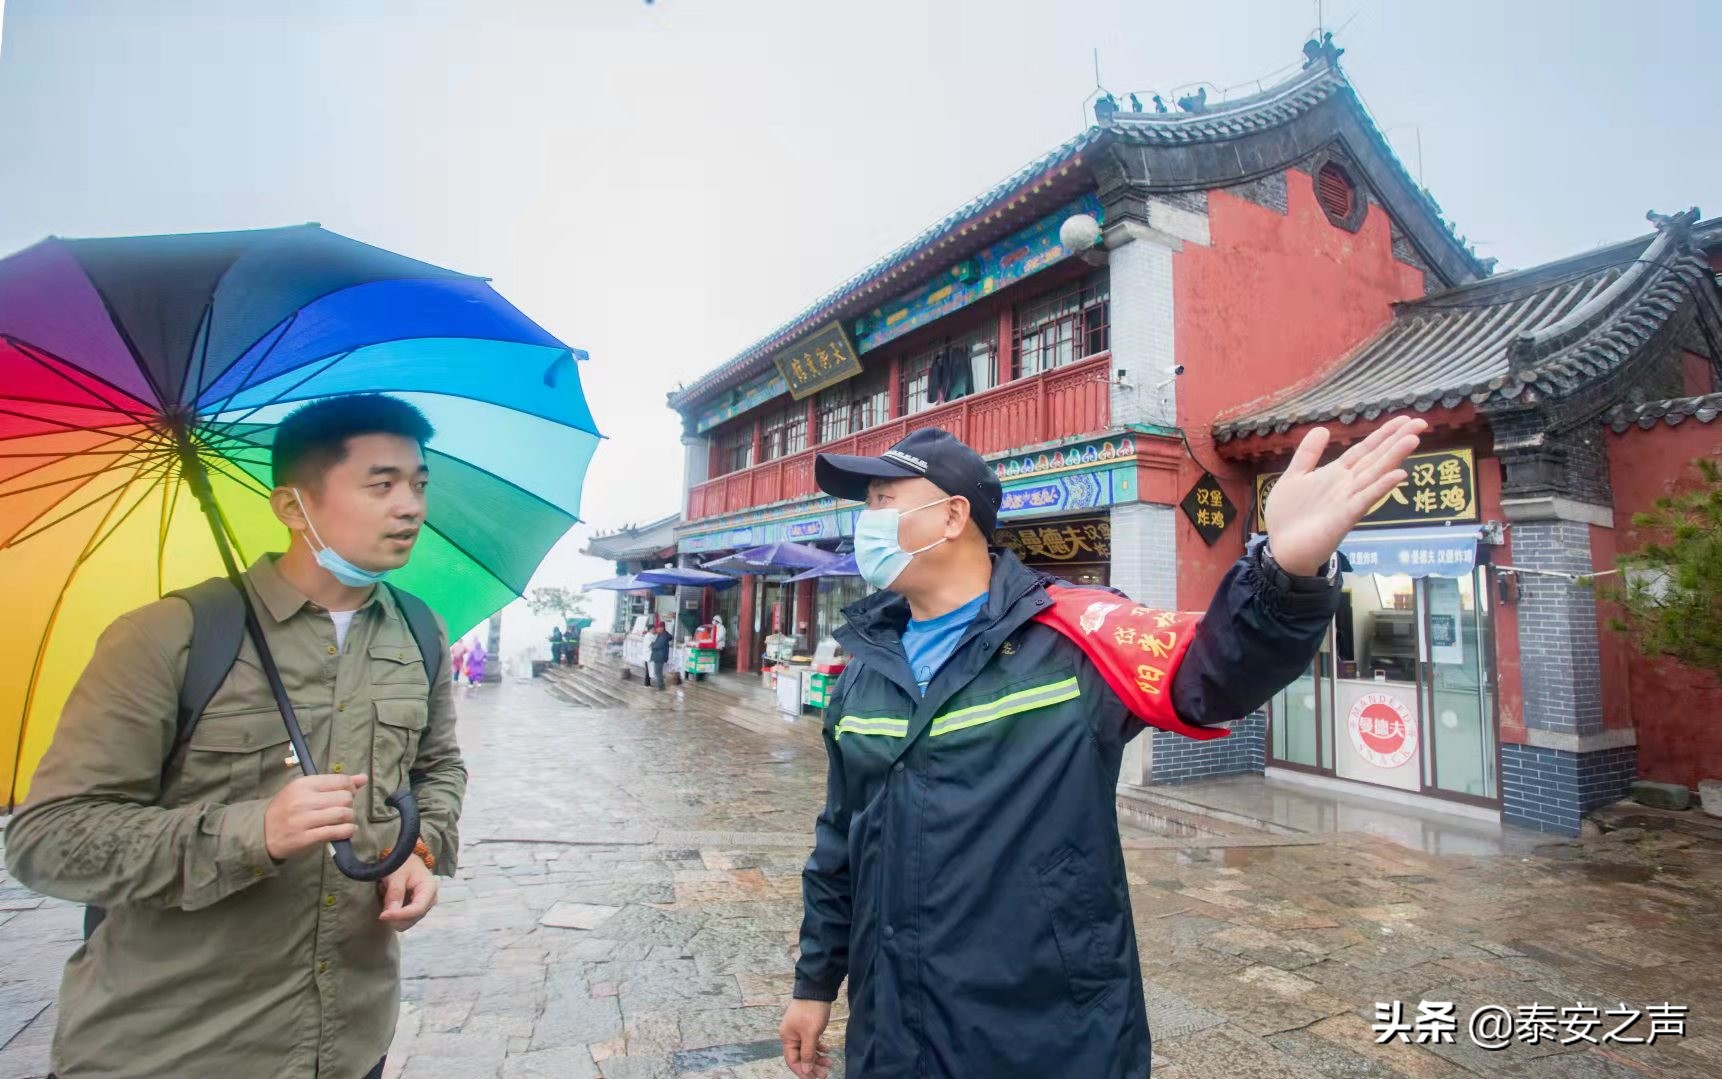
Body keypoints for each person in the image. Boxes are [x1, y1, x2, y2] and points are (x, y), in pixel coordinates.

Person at [778, 420, 1426, 1079]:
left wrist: (1283, 572)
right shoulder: (867, 670)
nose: (867, 521)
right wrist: (815, 982)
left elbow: (1215, 672)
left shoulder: (1077, 637)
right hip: (891, 1034)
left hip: (1049, 1035)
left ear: (951, 516)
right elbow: (840, 843)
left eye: (883, 500)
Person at [8, 394, 466, 1079]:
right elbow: (48, 838)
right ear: (292, 507)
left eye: (419, 484)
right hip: (175, 1048)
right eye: (381, 485)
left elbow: (438, 768)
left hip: (349, 1041)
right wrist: (256, 831)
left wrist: (419, 848)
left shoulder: (419, 631)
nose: (411, 507)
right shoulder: (170, 636)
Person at [648, 619, 673, 691]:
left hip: (660, 656)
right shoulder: (662, 634)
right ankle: (661, 686)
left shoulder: (663, 636)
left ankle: (661, 687)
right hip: (659, 656)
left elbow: (658, 645)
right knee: (658, 672)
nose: (656, 629)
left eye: (658, 628)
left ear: (662, 628)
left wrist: (652, 645)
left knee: (658, 672)